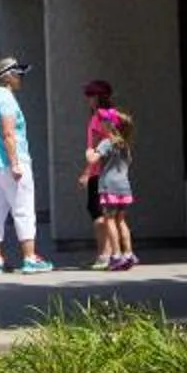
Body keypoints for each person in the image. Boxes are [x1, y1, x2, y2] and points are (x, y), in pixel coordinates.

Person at [0, 57, 48, 274]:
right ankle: (30, 258)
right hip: (10, 164)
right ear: (8, 76)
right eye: (19, 74)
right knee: (23, 210)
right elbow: (8, 133)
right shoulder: (7, 100)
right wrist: (15, 163)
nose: (21, 78)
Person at [88, 107, 137, 270]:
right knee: (121, 221)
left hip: (109, 187)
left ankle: (116, 256)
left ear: (109, 125)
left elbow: (94, 159)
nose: (100, 125)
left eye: (102, 122)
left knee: (109, 221)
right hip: (124, 188)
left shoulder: (106, 142)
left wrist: (89, 152)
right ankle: (128, 254)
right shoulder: (125, 145)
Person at [80, 78, 116, 258]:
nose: (88, 99)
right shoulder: (111, 115)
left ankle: (105, 253)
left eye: (91, 95)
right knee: (107, 212)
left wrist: (86, 173)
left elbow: (95, 146)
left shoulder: (99, 117)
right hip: (112, 170)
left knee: (97, 211)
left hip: (99, 172)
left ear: (98, 97)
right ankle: (111, 253)